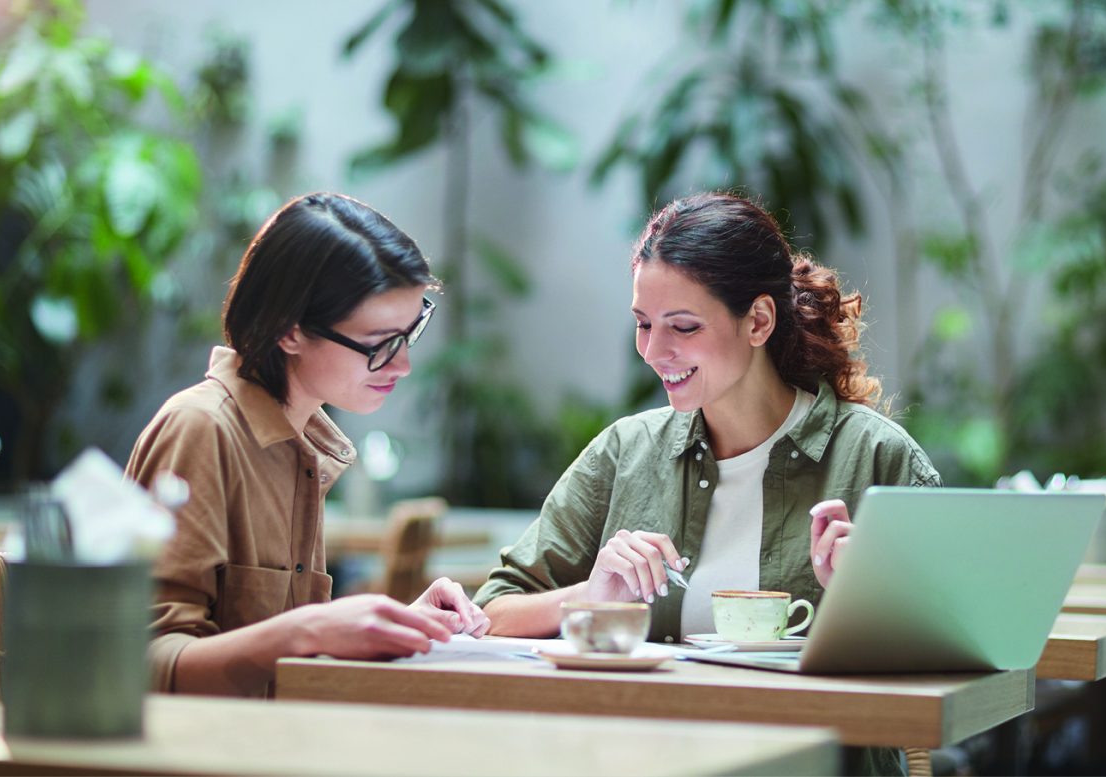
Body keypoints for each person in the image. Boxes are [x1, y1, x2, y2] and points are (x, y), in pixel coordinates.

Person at [473, 192, 941, 774]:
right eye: (644, 325)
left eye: (684, 326)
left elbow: (952, 668)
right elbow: (490, 613)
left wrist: (867, 604)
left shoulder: (876, 459)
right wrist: (590, 597)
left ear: (759, 321)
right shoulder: (625, 454)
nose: (654, 351)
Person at [127, 192, 488, 697]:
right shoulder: (200, 430)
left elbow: (269, 651)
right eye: (380, 343)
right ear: (289, 331)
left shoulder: (303, 441)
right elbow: (141, 662)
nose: (403, 364)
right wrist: (312, 629)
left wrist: (395, 622)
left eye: (411, 332)